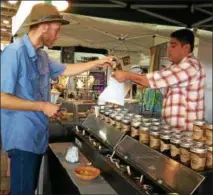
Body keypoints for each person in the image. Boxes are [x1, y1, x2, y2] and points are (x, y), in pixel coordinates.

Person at [1, 3, 116, 195]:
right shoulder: (14, 53)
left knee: (29, 189)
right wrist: (42, 105)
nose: (58, 35)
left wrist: (98, 61)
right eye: (57, 29)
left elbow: (66, 70)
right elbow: (2, 98)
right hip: (22, 137)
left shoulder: (42, 56)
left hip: (38, 135)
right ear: (44, 26)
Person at [112, 29, 206, 131]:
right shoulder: (176, 66)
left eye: (173, 46)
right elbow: (156, 78)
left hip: (186, 132)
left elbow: (154, 80)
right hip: (173, 130)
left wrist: (128, 75)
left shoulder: (190, 66)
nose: (168, 49)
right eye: (169, 46)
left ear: (186, 48)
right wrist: (136, 76)